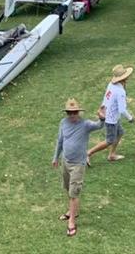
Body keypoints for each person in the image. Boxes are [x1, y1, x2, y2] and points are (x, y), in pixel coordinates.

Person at [52, 98, 106, 237]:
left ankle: (71, 222)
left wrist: (102, 119)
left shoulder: (85, 124)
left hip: (78, 164)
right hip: (66, 161)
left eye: (74, 112)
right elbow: (60, 141)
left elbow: (99, 126)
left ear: (79, 112)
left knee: (73, 193)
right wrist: (55, 157)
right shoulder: (63, 123)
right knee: (67, 188)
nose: (72, 115)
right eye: (69, 113)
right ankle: (73, 211)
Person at [88, 65, 135, 164]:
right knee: (109, 140)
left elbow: (106, 97)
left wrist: (102, 109)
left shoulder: (111, 84)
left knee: (120, 132)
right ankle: (88, 153)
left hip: (109, 114)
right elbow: (122, 110)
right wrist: (130, 118)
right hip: (111, 119)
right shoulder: (120, 91)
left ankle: (112, 155)